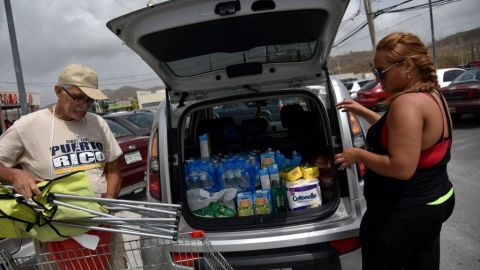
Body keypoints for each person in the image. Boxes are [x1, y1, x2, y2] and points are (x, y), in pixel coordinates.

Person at [335, 32, 455, 270]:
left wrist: (356, 155)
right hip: (433, 203)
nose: (378, 79)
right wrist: (362, 111)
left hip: (401, 215)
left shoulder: (406, 104)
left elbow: (401, 168)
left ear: (408, 65)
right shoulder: (432, 95)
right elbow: (398, 132)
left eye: (382, 71)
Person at [0, 64, 124, 268]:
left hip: (102, 227)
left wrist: (109, 199)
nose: (84, 105)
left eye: (90, 100)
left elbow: (113, 170)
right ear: (59, 91)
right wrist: (14, 175)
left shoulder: (98, 123)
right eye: (77, 97)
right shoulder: (28, 126)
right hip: (55, 233)